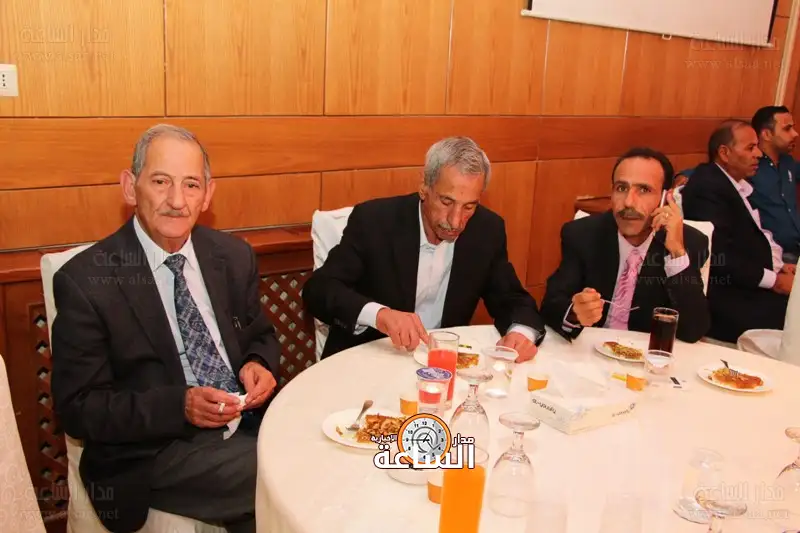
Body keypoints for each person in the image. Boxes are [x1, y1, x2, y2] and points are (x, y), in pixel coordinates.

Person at [50, 124, 281, 533]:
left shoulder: (232, 256)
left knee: (319, 453)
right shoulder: (86, 281)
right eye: (160, 181)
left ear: (207, 195)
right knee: (285, 473)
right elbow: (79, 408)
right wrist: (180, 406)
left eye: (191, 185)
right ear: (130, 187)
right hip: (154, 449)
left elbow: (259, 334)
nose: (177, 201)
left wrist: (257, 362)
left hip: (247, 421)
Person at [303, 136, 546, 362]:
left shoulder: (486, 230)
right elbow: (320, 289)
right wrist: (379, 315)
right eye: (446, 202)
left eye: (469, 207)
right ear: (424, 187)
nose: (456, 221)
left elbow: (513, 299)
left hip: (441, 366)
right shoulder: (375, 221)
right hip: (368, 360)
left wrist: (521, 333)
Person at [540, 147, 710, 342]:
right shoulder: (582, 234)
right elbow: (550, 306)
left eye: (644, 190)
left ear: (666, 198)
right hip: (591, 350)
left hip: (648, 353)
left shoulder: (689, 243)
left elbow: (692, 331)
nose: (628, 202)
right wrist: (574, 313)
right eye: (621, 188)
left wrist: (677, 253)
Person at [681, 119, 794, 342]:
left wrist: (779, 267)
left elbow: (749, 240)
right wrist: (775, 281)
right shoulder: (708, 187)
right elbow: (718, 255)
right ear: (725, 153)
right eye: (750, 148)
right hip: (728, 297)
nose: (759, 154)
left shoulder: (730, 183)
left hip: (751, 282)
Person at [749, 105, 800, 264]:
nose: (795, 134)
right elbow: (715, 171)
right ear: (766, 134)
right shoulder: (750, 166)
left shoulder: (788, 162)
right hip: (775, 257)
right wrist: (685, 176)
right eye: (787, 129)